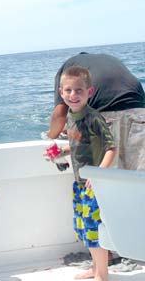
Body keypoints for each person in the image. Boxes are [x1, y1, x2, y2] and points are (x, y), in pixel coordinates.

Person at [52, 66, 116, 281]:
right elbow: (79, 143)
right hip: (79, 184)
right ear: (61, 93)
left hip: (94, 184)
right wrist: (63, 150)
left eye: (79, 90)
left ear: (89, 92)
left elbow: (111, 148)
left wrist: (98, 174)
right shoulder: (71, 116)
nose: (73, 95)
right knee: (85, 228)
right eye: (68, 90)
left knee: (95, 230)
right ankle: (96, 269)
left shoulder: (92, 118)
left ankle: (102, 276)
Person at [48, 52, 145, 171]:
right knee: (140, 176)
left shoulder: (67, 70)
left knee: (109, 179)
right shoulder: (109, 59)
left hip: (106, 113)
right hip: (140, 111)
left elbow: (60, 114)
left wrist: (51, 135)